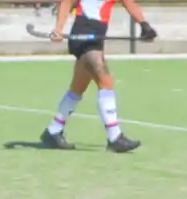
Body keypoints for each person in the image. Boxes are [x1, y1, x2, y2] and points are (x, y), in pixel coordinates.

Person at [38, 0, 155, 153]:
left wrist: (145, 25)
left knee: (77, 88)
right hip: (84, 35)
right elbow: (67, 2)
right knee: (105, 80)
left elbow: (129, 3)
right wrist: (58, 28)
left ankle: (53, 131)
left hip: (96, 37)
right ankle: (115, 137)